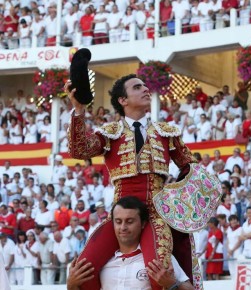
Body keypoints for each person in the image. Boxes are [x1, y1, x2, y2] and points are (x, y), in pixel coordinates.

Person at [66, 73, 209, 289]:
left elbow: (191, 168)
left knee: (160, 272)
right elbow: (79, 150)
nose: (145, 89)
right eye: (137, 87)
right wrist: (78, 110)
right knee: (82, 270)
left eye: (144, 86)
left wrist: (179, 201)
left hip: (155, 215)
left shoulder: (166, 132)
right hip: (121, 216)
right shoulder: (110, 133)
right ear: (122, 100)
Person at [67, 196, 194, 290]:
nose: (123, 227)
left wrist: (172, 284)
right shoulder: (103, 261)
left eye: (129, 221)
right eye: (118, 221)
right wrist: (71, 285)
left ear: (143, 224)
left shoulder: (159, 257)